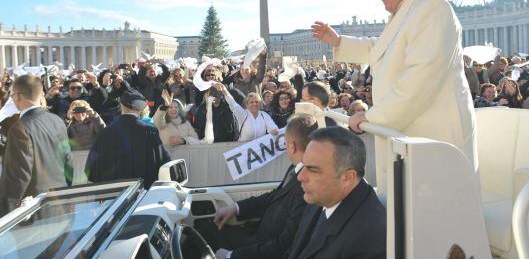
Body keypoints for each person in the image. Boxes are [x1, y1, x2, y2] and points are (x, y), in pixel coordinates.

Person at [311, 0, 478, 193]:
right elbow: (380, 48)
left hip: (435, 132)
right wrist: (338, 40)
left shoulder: (433, 8)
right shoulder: (406, 13)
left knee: (440, 210)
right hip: (411, 130)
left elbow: (422, 77)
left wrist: (373, 117)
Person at [198, 114, 318, 259]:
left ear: (292, 146)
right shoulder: (295, 168)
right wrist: (235, 207)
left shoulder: (306, 187)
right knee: (203, 228)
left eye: (285, 144)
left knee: (201, 237)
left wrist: (231, 256)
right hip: (255, 234)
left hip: (260, 247)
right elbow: (274, 196)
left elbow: (284, 245)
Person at [285, 126, 386, 259]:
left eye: (313, 169)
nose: (300, 177)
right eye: (303, 165)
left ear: (347, 177)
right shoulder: (321, 197)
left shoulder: (369, 236)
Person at [0, 75, 73, 216]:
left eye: (12, 95)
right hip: (60, 205)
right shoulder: (57, 121)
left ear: (18, 96)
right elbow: (68, 164)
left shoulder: (19, 128)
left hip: (33, 212)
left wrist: (5, 214)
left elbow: (18, 176)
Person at [85, 90, 171, 189]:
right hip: (143, 194)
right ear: (141, 109)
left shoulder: (105, 133)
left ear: (121, 106)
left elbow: (91, 169)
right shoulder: (149, 131)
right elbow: (163, 163)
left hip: (114, 198)